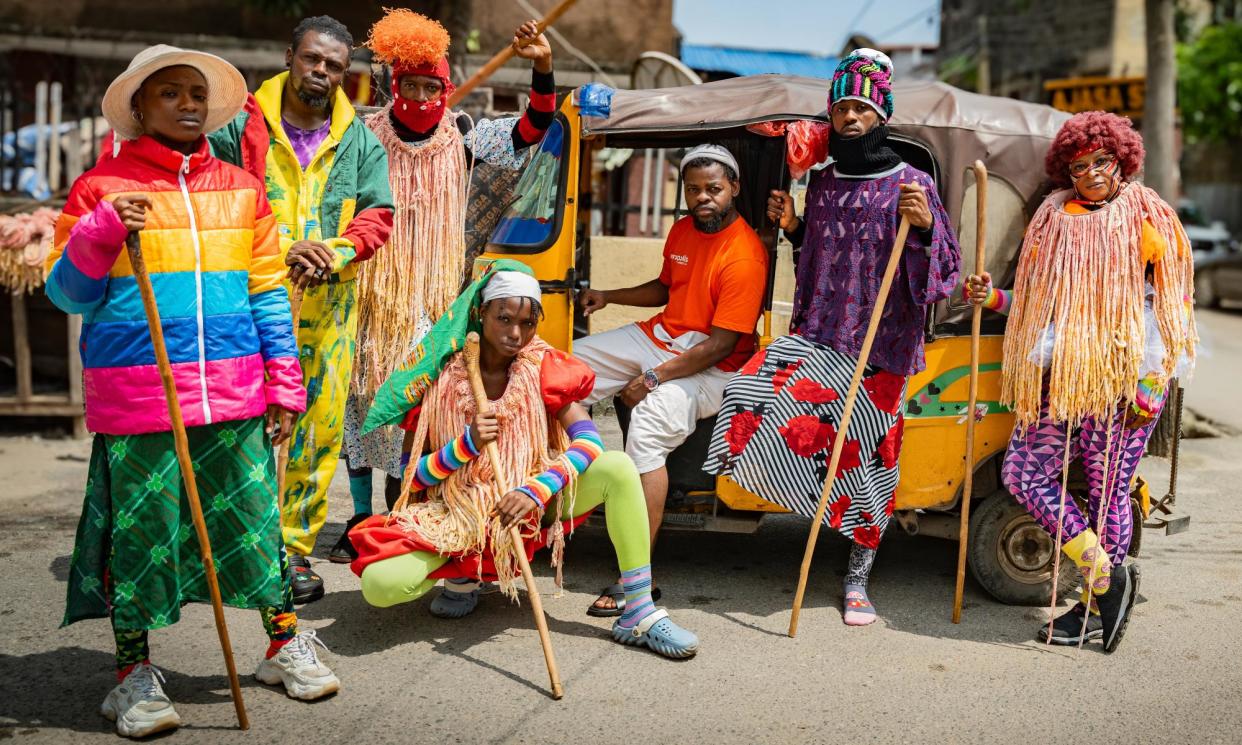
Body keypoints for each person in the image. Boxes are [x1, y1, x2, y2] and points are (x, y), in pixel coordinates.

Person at [45, 45, 339, 739]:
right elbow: (66, 291)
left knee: (254, 527)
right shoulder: (100, 187)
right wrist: (105, 228)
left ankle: (280, 645)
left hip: (234, 395)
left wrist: (284, 383)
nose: (187, 103)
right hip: (141, 400)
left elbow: (268, 291)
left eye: (196, 93)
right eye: (170, 93)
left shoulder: (241, 187)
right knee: (141, 538)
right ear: (139, 107)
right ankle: (132, 675)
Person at [707, 49, 961, 626]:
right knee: (752, 400)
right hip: (820, 337)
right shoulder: (821, 183)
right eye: (842, 107)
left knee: (870, 464)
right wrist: (796, 228)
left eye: (862, 108)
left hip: (882, 350)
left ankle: (856, 580)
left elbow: (943, 272)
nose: (851, 117)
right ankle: (804, 521)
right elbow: (816, 258)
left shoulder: (912, 182)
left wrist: (921, 229)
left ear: (881, 115)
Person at [348, 261, 699, 658]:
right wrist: (464, 447)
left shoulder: (544, 366)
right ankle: (464, 575)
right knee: (380, 586)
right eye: (504, 319)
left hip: (532, 507)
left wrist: (536, 489)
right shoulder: (441, 375)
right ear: (481, 314)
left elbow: (588, 443)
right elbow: (415, 477)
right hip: (456, 515)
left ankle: (638, 611)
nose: (516, 333)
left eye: (528, 323)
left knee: (618, 467)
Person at [331, 9, 560, 568]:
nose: (421, 95)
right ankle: (359, 515)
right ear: (393, 83)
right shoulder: (361, 132)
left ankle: (401, 507)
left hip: (432, 304)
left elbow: (533, 127)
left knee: (414, 409)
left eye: (432, 86)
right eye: (411, 85)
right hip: (370, 292)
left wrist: (544, 67)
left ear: (447, 88)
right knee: (359, 404)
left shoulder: (465, 135)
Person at [964, 111, 1196, 651]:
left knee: (1107, 492)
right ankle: (1108, 581)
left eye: (1100, 162)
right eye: (1079, 165)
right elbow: (1039, 304)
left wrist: (1154, 380)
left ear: (1122, 161)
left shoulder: (1148, 217)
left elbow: (1172, 307)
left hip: (1124, 381)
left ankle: (1094, 609)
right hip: (1060, 379)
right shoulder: (1051, 217)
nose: (1090, 172)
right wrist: (993, 299)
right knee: (1023, 473)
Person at [208, 16, 395, 604]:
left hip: (330, 311)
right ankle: (231, 546)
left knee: (316, 430)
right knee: (241, 424)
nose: (322, 71)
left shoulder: (360, 139)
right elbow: (211, 199)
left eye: (335, 65)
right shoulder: (238, 125)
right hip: (247, 302)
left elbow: (377, 216)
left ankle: (290, 551)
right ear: (290, 55)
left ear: (347, 73)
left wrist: (334, 253)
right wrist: (282, 249)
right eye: (313, 59)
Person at [572, 144, 768, 616]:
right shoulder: (683, 228)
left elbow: (721, 345)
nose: (703, 198)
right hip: (663, 337)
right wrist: (607, 295)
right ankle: (564, 482)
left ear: (734, 189)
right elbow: (666, 287)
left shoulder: (745, 256)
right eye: (694, 189)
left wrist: (653, 379)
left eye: (714, 189)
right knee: (567, 367)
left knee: (648, 425)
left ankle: (636, 574)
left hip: (716, 366)